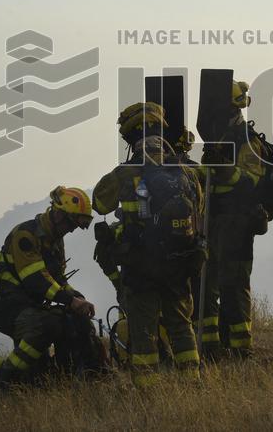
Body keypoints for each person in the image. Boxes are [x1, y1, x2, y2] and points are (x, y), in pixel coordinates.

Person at [94, 109, 204, 385]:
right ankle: (192, 383)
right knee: (181, 326)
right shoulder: (185, 171)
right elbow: (198, 209)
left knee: (143, 332)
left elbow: (99, 203)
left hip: (140, 264)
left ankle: (148, 391)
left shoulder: (126, 172)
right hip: (179, 261)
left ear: (132, 137)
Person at [0, 187, 102, 387]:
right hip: (9, 306)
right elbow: (35, 280)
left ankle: (72, 374)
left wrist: (78, 298)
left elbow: (58, 280)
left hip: (34, 307)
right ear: (58, 214)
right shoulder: (26, 235)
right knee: (47, 324)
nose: (71, 230)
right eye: (71, 223)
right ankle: (3, 377)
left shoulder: (56, 242)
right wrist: (70, 300)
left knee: (37, 378)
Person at [198, 81, 266, 358]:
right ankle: (211, 346)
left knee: (234, 285)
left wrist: (224, 168)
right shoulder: (215, 139)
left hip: (238, 222)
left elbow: (251, 180)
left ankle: (241, 347)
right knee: (206, 282)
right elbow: (206, 179)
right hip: (213, 220)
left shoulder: (246, 140)